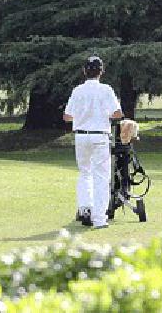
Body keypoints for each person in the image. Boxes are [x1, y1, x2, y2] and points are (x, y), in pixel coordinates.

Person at [63, 56, 123, 229]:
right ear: (101, 72)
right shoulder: (106, 90)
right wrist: (102, 114)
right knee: (101, 177)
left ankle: (85, 209)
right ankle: (99, 218)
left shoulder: (77, 90)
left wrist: (83, 115)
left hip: (81, 136)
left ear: (84, 71)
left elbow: (67, 116)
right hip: (99, 136)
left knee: (85, 173)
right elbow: (118, 114)